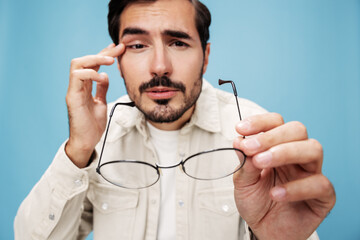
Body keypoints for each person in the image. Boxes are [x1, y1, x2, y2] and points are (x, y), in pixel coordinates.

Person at [14, 0, 336, 239]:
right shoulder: (98, 137)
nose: (159, 66)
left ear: (206, 57)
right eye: (138, 45)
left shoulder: (256, 135)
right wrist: (78, 149)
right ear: (116, 59)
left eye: (178, 42)